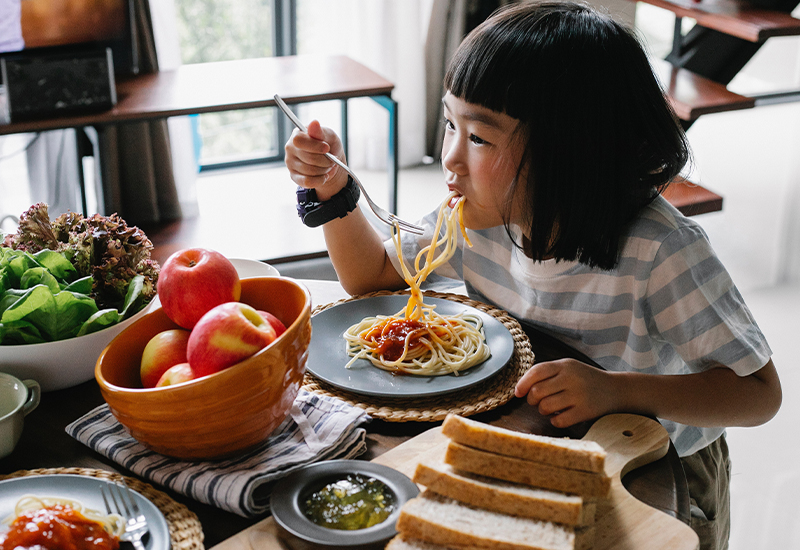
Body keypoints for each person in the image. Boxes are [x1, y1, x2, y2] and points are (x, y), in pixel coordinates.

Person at [283, 3, 782, 549]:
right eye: (452, 123)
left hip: (658, 460)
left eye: (479, 138)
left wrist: (616, 391)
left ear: (570, 152)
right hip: (542, 437)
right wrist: (333, 193)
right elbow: (373, 277)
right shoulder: (480, 217)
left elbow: (757, 393)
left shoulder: (660, 250)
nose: (449, 157)